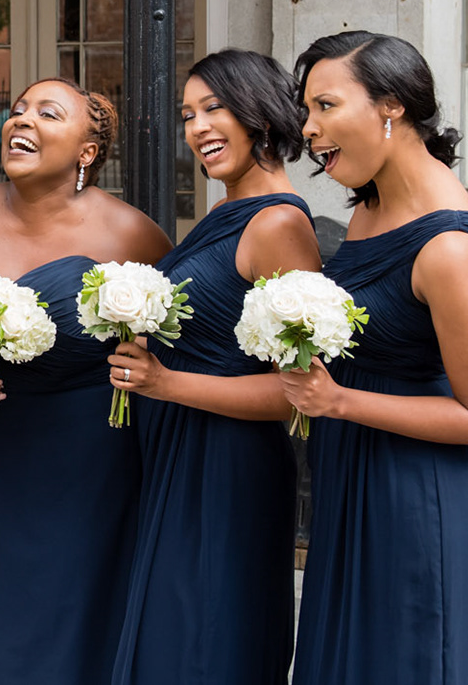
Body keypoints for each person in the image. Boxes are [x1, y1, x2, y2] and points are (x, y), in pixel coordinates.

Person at [0, 78, 169, 685]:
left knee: (80, 602)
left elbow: (170, 336)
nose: (22, 121)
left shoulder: (132, 235)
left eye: (48, 113)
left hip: (91, 454)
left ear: (87, 152)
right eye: (17, 110)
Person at [286, 31, 468, 685]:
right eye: (307, 110)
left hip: (417, 495)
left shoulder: (447, 245)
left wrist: (339, 400)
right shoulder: (371, 202)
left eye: (326, 105)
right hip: (351, 472)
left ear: (391, 106)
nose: (310, 128)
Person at [106, 49, 322, 685]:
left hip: (228, 465)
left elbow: (296, 392)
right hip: (178, 448)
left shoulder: (277, 223)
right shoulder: (229, 212)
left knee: (206, 637)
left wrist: (164, 383)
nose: (196, 127)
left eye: (213, 107)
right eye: (188, 114)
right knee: (174, 633)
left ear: (259, 112)